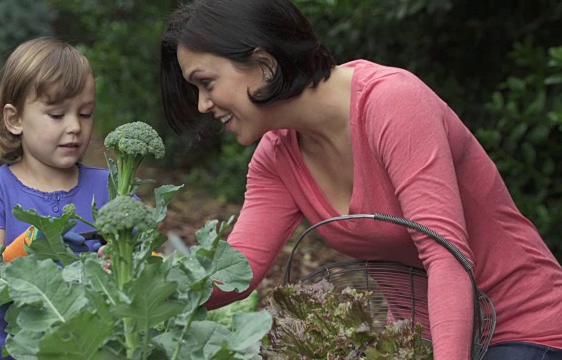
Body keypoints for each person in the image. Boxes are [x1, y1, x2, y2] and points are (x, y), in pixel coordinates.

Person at [159, 1, 562, 359]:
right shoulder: (276, 157)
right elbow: (236, 276)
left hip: (523, 329)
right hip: (420, 343)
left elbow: (447, 258)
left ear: (264, 64)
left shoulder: (392, 104)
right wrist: (144, 283)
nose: (202, 104)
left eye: (206, 83)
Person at [0, 37, 109, 360]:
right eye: (57, 115)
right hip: (17, 351)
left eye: (85, 113)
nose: (75, 126)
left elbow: (146, 261)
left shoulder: (109, 187)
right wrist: (36, 242)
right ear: (14, 119)